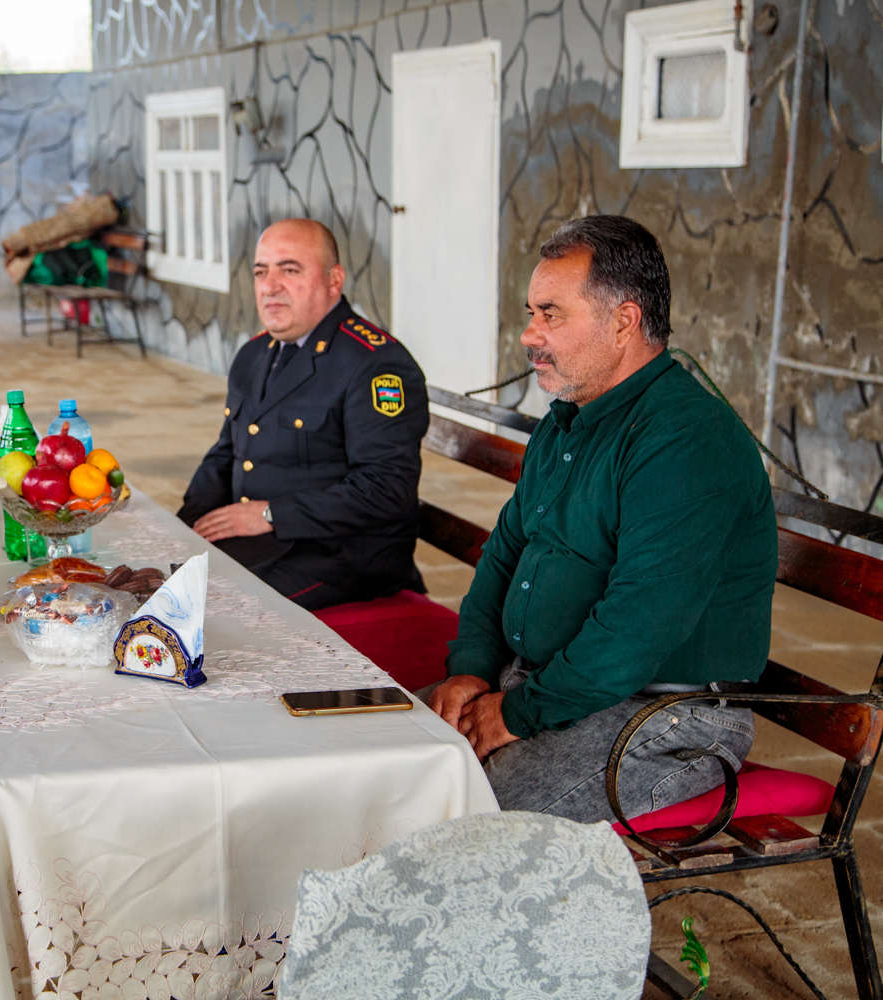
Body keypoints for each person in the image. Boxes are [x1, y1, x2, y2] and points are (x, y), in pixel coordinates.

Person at [426, 215, 777, 823]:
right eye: (532, 313)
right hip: (551, 686)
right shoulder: (568, 422)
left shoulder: (685, 440)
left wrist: (516, 713)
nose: (529, 334)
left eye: (551, 315)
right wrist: (471, 671)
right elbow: (502, 559)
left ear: (624, 321)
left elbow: (637, 628)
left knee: (462, 819)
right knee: (396, 765)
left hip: (665, 717)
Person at [177, 218, 429, 610]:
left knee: (207, 606)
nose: (269, 286)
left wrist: (271, 514)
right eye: (261, 272)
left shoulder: (375, 364)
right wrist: (182, 525)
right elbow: (227, 452)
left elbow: (387, 489)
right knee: (160, 576)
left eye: (290, 270)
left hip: (343, 556)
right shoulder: (254, 354)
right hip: (269, 540)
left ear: (333, 280)